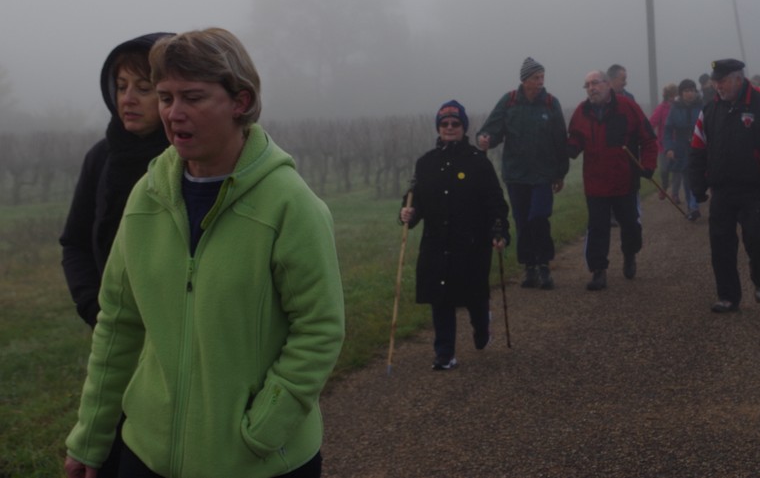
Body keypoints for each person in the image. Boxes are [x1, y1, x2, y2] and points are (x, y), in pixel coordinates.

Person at [64, 28, 345, 478]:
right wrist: (91, 436)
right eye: (166, 97)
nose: (173, 113)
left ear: (240, 101)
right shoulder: (146, 197)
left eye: (192, 97)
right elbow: (118, 324)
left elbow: (320, 328)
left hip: (257, 462)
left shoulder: (291, 205)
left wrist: (263, 428)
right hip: (147, 456)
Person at [59, 32, 172, 478]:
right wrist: (95, 306)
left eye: (144, 88)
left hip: (175, 341)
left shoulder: (190, 157)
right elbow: (74, 242)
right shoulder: (102, 158)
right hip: (116, 338)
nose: (128, 98)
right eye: (121, 86)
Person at [401, 101, 510, 371]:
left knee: (474, 295)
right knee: (441, 297)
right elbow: (416, 200)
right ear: (438, 128)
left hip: (471, 244)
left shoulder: (478, 163)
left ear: (464, 127)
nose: (449, 128)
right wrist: (408, 213)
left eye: (455, 123)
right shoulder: (425, 163)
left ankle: (482, 326)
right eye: (444, 124)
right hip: (436, 243)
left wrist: (499, 230)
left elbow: (495, 202)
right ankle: (444, 352)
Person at [688, 58, 760, 313]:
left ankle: (759, 274)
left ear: (738, 79)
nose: (717, 86)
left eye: (722, 81)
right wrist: (697, 184)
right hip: (721, 189)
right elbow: (698, 148)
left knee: (757, 241)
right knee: (720, 244)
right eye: (715, 82)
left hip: (754, 189)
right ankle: (728, 296)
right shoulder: (710, 110)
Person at [477, 57, 569, 291]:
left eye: (542, 77)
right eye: (536, 78)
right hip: (516, 174)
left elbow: (560, 139)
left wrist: (560, 173)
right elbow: (492, 129)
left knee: (538, 217)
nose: (540, 82)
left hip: (543, 174)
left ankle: (544, 265)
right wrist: (485, 139)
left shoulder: (551, 103)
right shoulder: (509, 102)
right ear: (525, 80)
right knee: (522, 221)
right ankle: (529, 267)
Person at [567, 70, 657, 291]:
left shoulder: (628, 107)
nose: (591, 88)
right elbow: (575, 141)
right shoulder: (581, 112)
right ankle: (598, 271)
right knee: (597, 227)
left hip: (624, 181)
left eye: (595, 83)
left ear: (608, 84)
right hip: (595, 183)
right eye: (587, 85)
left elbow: (648, 139)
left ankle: (630, 253)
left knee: (630, 224)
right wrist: (565, 148)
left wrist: (648, 165)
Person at [663, 78, 703, 221]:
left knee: (698, 176)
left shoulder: (702, 107)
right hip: (682, 148)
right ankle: (692, 206)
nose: (689, 94)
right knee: (687, 178)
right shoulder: (675, 108)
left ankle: (695, 202)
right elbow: (668, 130)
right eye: (686, 91)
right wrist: (669, 148)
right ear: (681, 93)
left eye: (691, 90)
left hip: (699, 146)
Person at [649, 83, 678, 196]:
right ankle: (664, 186)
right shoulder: (661, 108)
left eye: (674, 95)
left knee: (677, 170)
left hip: (678, 144)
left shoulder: (679, 107)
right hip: (663, 144)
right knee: (664, 169)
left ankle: (675, 194)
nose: (672, 98)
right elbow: (652, 123)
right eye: (670, 95)